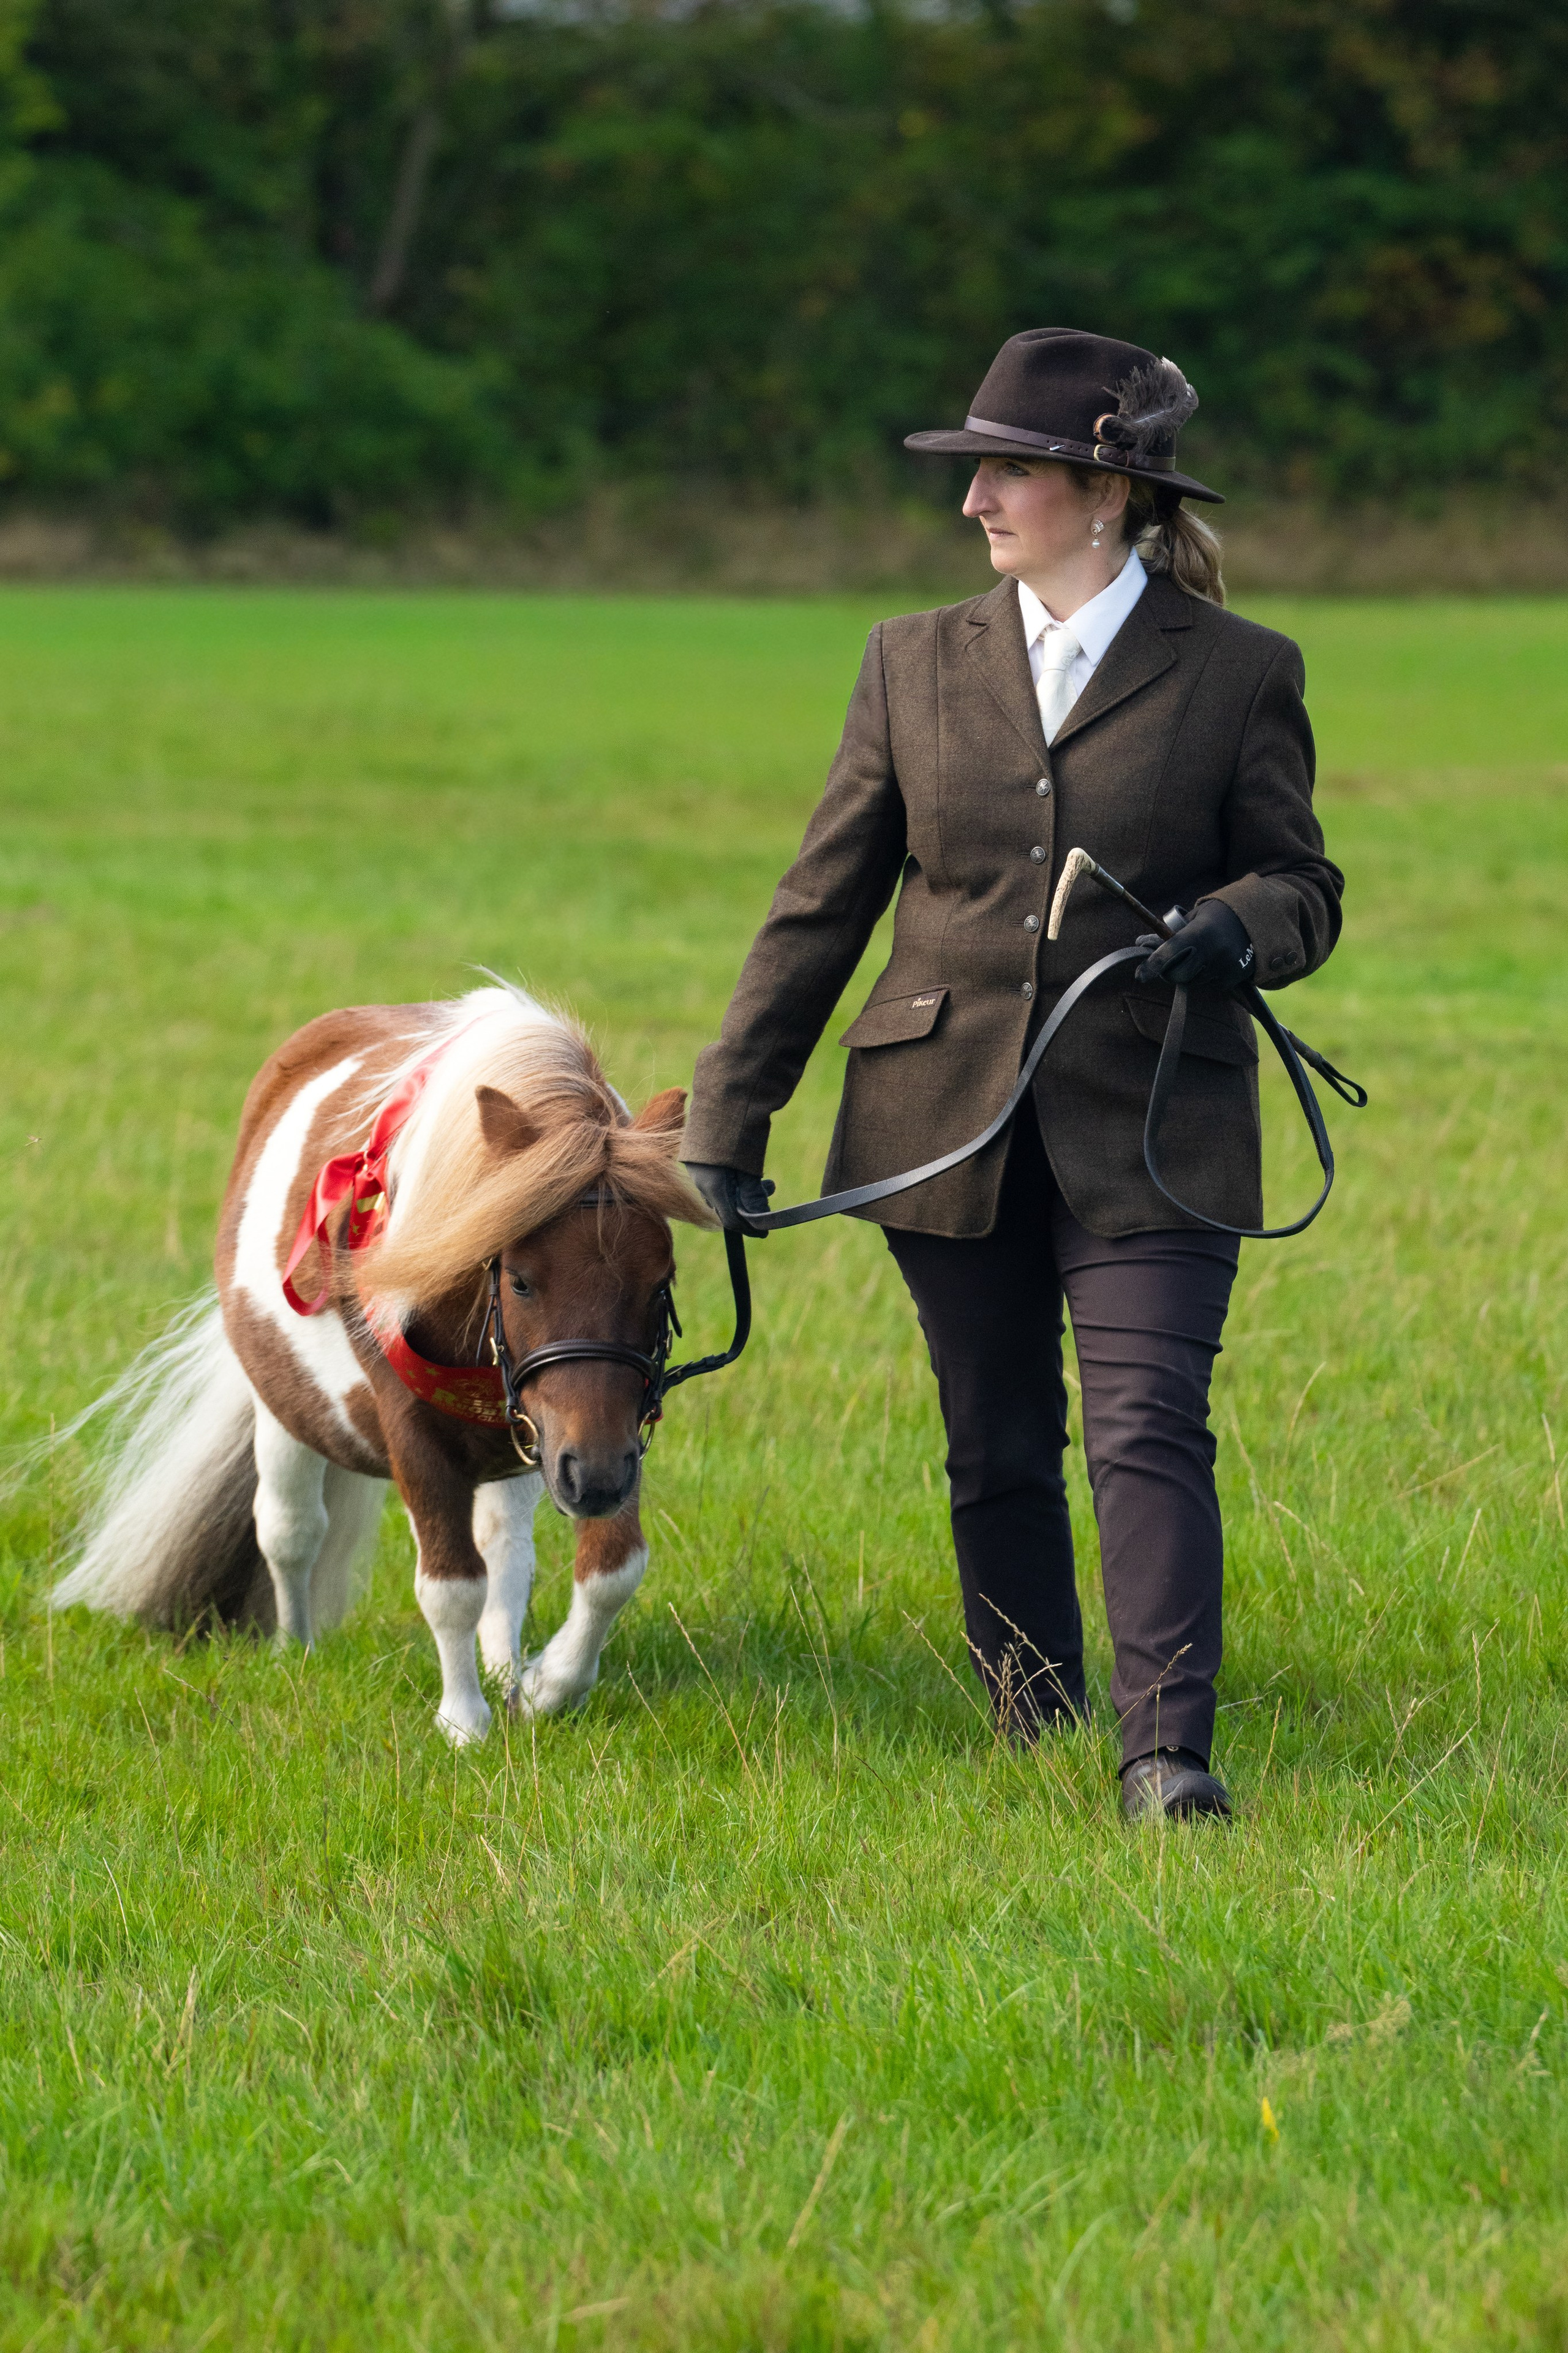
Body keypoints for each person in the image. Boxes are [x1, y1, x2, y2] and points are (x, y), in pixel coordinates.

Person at [682, 328, 1343, 1821]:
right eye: (974, 471)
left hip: (1156, 1115)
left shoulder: (1239, 673)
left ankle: (1165, 1750)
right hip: (939, 1114)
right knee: (990, 1436)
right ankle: (1031, 1710)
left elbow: (1303, 883)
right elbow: (821, 900)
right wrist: (732, 1109)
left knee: (1144, 1424)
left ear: (1108, 496)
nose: (975, 500)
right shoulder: (909, 659)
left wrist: (1231, 928)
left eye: (1008, 472)